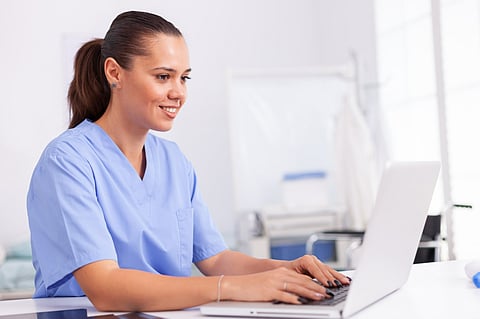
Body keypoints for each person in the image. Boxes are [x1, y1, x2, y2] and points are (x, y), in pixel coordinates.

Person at [26, 11, 350, 312]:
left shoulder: (173, 161)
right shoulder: (67, 162)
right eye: (164, 76)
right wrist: (231, 288)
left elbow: (216, 259)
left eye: (184, 78)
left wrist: (284, 268)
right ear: (115, 73)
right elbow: (105, 286)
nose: (178, 92)